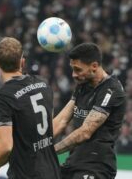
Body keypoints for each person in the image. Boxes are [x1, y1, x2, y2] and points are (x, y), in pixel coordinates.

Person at [0, 37, 60, 179]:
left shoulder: (0, 96)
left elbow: (5, 147)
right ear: (22, 61)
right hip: (52, 171)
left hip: (26, 174)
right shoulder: (43, 84)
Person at [53, 43, 126, 179]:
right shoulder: (83, 85)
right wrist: (38, 143)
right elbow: (61, 120)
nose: (74, 75)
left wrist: (50, 151)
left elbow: (85, 132)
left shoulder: (111, 90)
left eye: (78, 70)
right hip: (73, 162)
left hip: (97, 166)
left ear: (94, 66)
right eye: (72, 69)